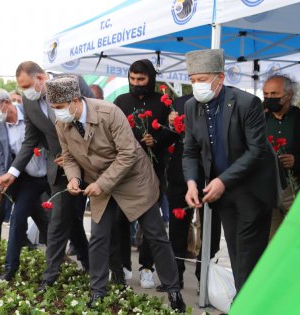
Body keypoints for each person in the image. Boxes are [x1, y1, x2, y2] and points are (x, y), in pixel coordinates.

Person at [48, 76, 185, 311]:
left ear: (75, 100)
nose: (57, 114)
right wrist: (74, 178)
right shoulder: (63, 122)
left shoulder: (109, 112)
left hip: (133, 179)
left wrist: (102, 183)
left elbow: (128, 154)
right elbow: (69, 156)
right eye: (54, 109)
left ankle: (174, 291)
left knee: (155, 235)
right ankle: (98, 292)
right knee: (99, 237)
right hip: (100, 182)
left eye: (60, 108)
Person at [183, 48, 278, 294]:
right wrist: (192, 183)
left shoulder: (247, 103)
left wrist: (223, 180)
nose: (196, 86)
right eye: (192, 81)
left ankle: (245, 304)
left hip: (252, 189)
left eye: (202, 80)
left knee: (248, 253)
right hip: (222, 194)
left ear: (220, 78)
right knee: (236, 253)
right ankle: (247, 300)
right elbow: (190, 151)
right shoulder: (192, 107)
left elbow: (257, 151)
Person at [0, 61, 93, 291]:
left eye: (27, 85)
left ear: (41, 78)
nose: (24, 91)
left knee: (78, 219)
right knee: (60, 218)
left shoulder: (73, 82)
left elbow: (94, 119)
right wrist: (12, 172)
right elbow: (31, 139)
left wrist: (74, 154)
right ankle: (50, 277)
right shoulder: (28, 101)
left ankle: (99, 268)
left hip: (89, 162)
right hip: (58, 169)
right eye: (20, 87)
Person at [113, 59, 178, 289]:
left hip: (155, 170)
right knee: (120, 220)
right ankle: (122, 265)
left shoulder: (162, 102)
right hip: (125, 172)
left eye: (141, 79)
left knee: (152, 223)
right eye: (132, 79)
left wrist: (156, 140)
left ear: (150, 78)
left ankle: (147, 267)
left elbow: (175, 132)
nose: (136, 83)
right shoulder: (121, 101)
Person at [0, 88, 50, 281]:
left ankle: (82, 260)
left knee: (60, 220)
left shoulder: (31, 114)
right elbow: (4, 163)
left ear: (7, 103)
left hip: (53, 172)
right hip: (27, 179)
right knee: (17, 218)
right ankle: (10, 267)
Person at [163, 94, 221, 292]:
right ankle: (174, 278)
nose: (197, 81)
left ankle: (205, 279)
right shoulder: (179, 102)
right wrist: (171, 124)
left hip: (212, 174)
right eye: (193, 77)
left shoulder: (223, 101)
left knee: (211, 229)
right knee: (177, 229)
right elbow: (168, 136)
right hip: (181, 174)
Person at [263, 75, 300, 239]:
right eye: (266, 94)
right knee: (270, 241)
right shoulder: (260, 119)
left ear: (289, 94)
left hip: (297, 189)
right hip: (269, 190)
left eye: (274, 94)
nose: (269, 98)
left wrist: (297, 160)